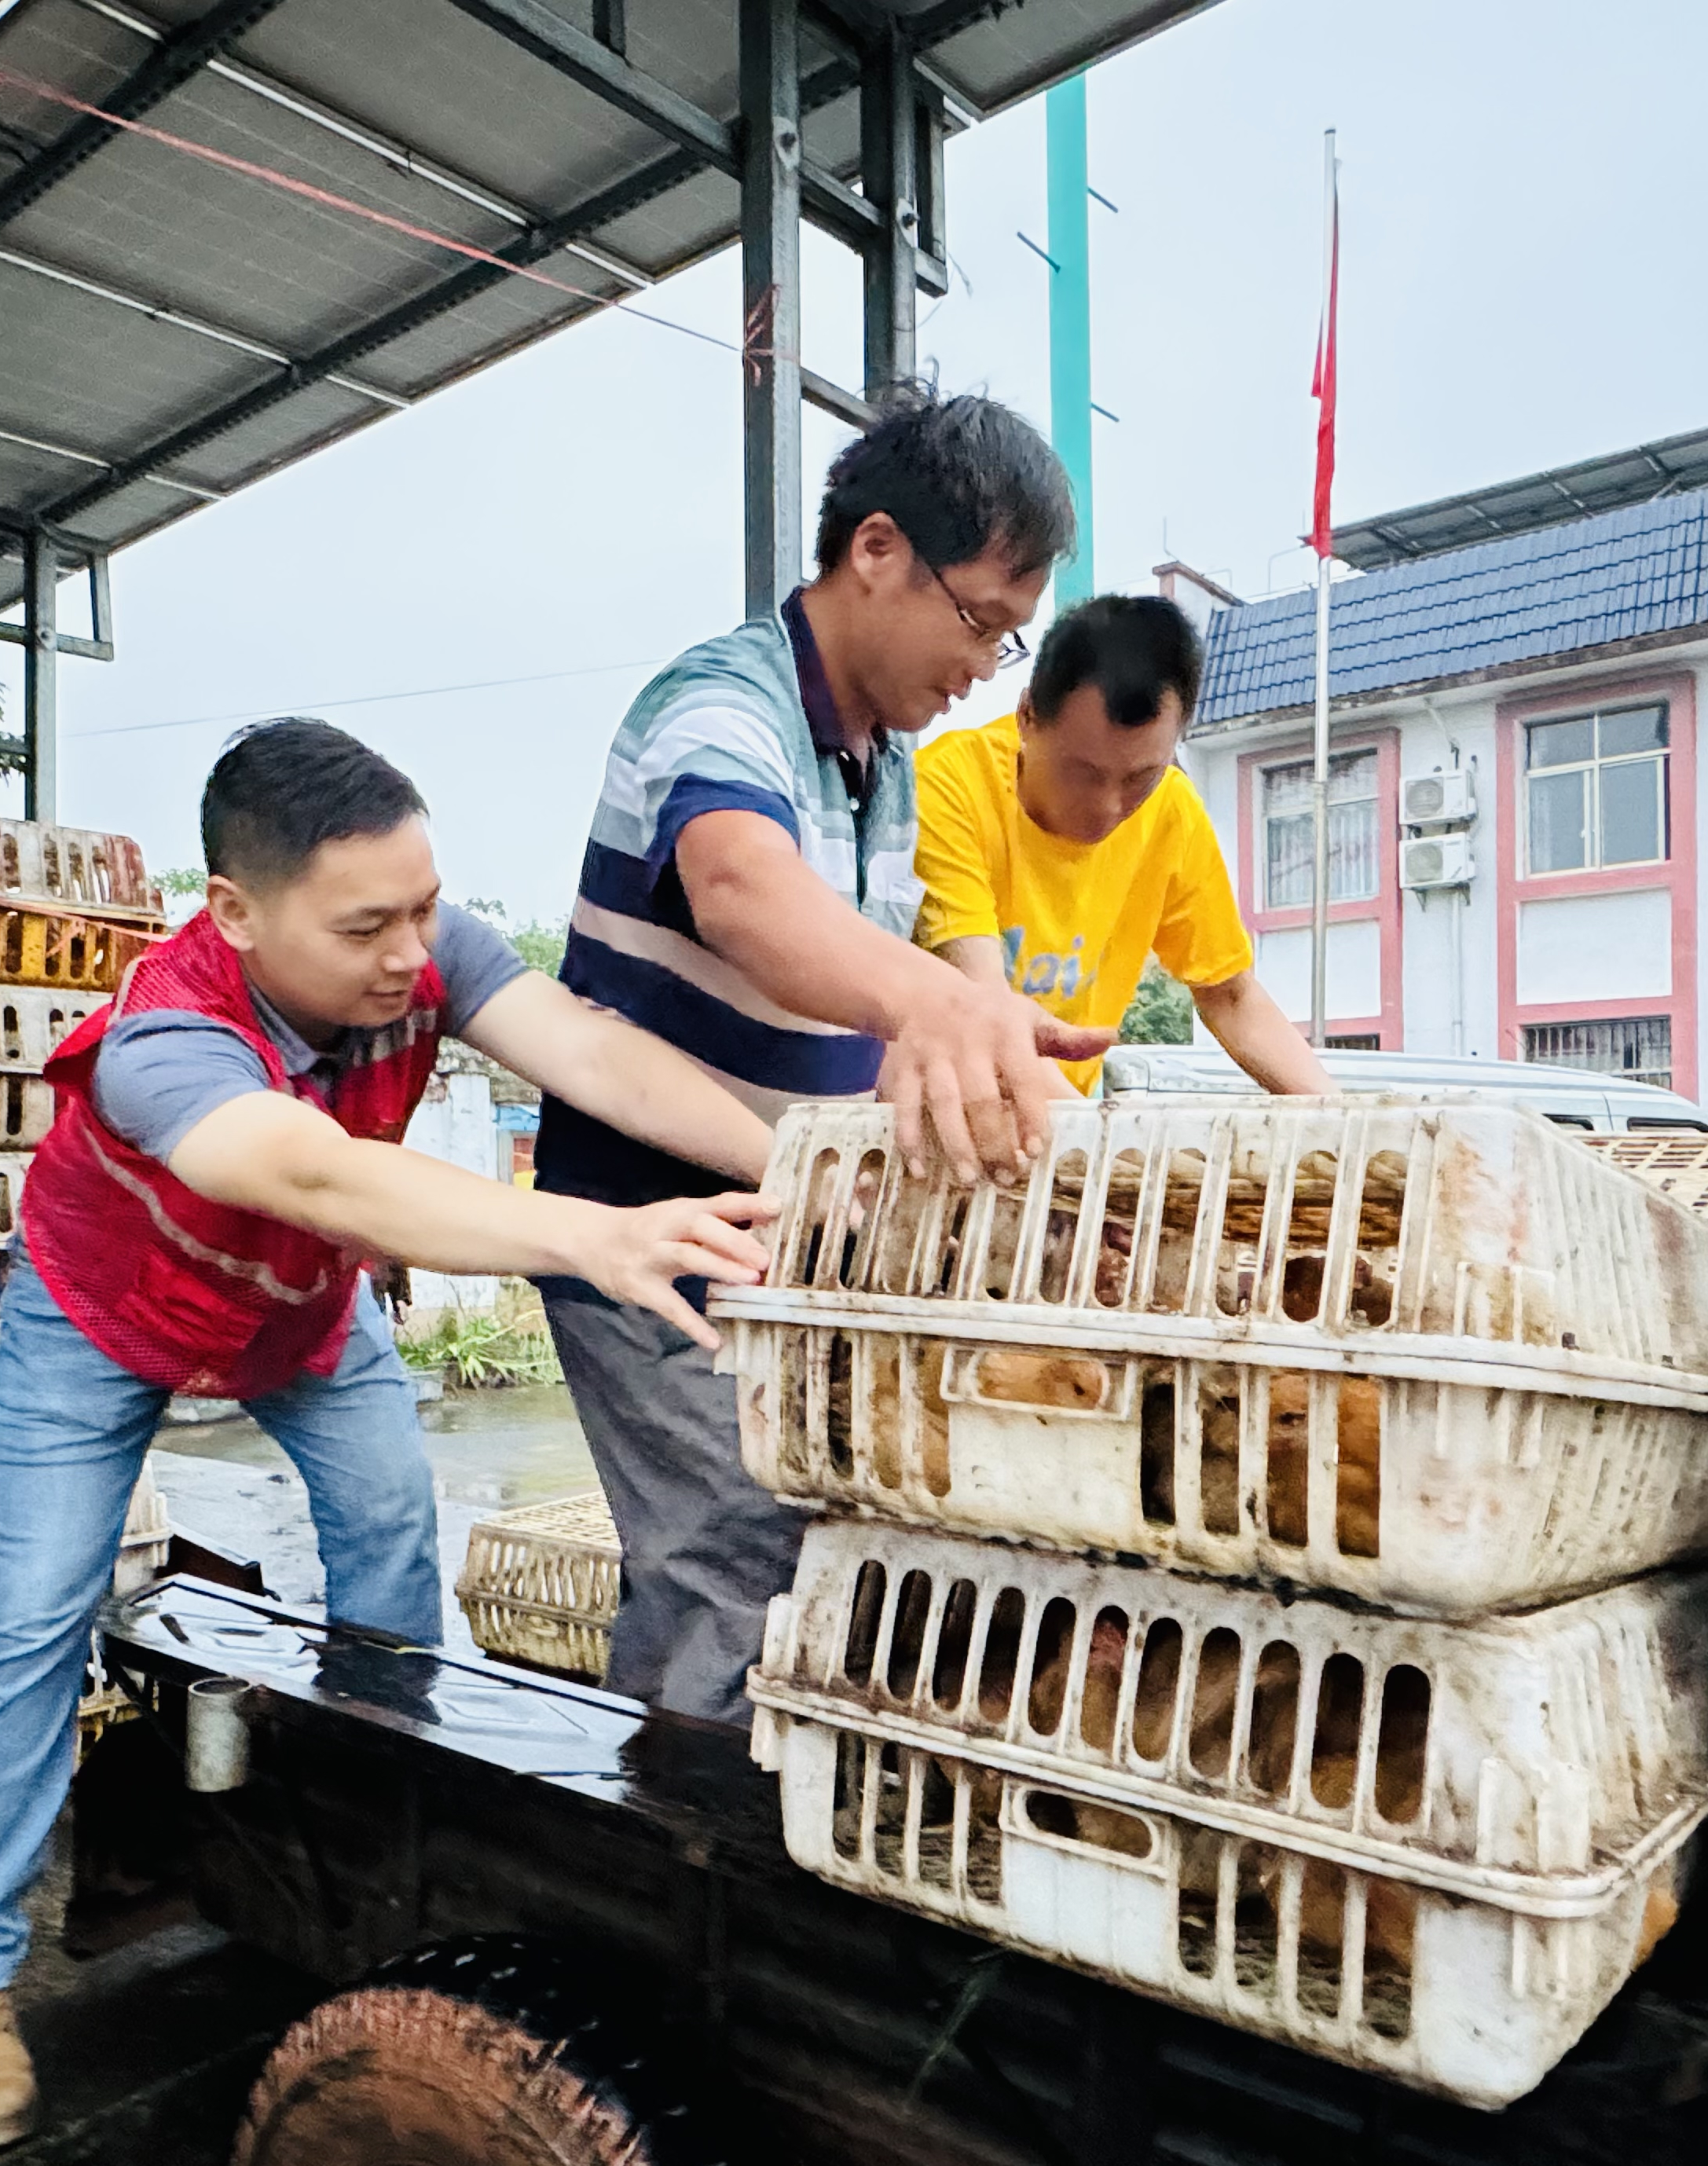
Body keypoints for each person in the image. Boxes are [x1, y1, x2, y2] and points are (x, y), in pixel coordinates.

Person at [0, 719, 775, 2154]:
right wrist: (590, 1234)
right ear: (235, 911)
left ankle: (377, 1860)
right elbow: (315, 1170)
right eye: (366, 925)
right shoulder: (165, 1041)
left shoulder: (422, 949)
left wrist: (799, 1162)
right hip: (103, 1308)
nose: (409, 952)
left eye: (423, 908)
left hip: (300, 1310)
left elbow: (590, 1053)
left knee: (389, 1536)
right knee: (34, 1611)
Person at [536, 389, 1105, 1724]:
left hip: (792, 1238)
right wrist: (939, 1007)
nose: (985, 665)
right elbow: (741, 887)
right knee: (726, 1563)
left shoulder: (882, 767)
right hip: (657, 1232)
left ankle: (772, 1804)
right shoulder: (721, 699)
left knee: (838, 1553)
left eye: (1009, 638)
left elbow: (863, 1002)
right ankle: (679, 1836)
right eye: (979, 621)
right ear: (878, 551)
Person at [913, 594, 1334, 1098]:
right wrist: (1095, 1141)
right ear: (1027, 715)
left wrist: (1343, 1119)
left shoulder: (1171, 810)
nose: (1108, 808)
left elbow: (1231, 997)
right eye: (1083, 774)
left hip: (1067, 1118)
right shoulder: (946, 790)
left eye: (1140, 778)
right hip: (938, 1110)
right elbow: (986, 1007)